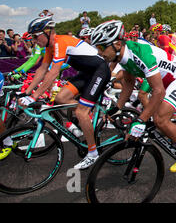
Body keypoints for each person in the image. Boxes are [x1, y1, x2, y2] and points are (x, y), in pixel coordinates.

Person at [90, 20, 176, 173]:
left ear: (117, 44)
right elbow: (128, 84)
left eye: (101, 47)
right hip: (165, 80)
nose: (99, 52)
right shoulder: (124, 56)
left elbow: (158, 91)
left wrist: (141, 120)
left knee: (159, 119)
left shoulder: (139, 54)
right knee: (161, 123)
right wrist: (117, 108)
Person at [18, 16, 111, 169]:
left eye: (36, 36)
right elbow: (42, 69)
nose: (34, 40)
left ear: (47, 32)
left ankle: (93, 154)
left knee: (81, 112)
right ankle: (89, 112)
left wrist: (34, 96)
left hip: (99, 72)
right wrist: (27, 93)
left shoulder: (61, 42)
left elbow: (53, 73)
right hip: (86, 74)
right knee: (60, 98)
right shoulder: (49, 47)